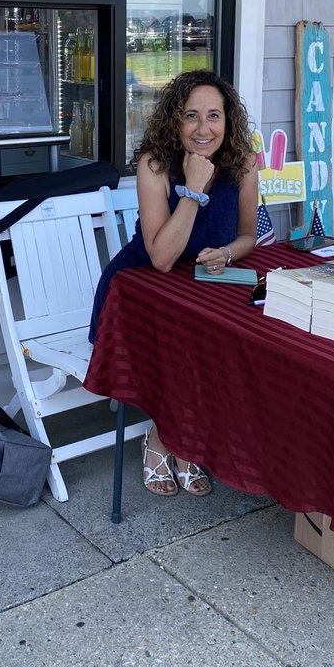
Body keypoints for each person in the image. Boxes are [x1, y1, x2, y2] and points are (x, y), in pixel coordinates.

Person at [90, 69, 258, 497]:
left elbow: (247, 234)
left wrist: (228, 253)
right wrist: (194, 189)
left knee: (238, 334)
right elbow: (162, 258)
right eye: (191, 116)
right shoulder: (155, 164)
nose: (204, 129)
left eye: (214, 116)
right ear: (175, 121)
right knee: (185, 338)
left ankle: (186, 437)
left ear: (228, 121)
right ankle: (167, 439)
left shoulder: (243, 162)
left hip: (204, 280)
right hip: (140, 290)